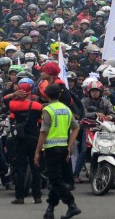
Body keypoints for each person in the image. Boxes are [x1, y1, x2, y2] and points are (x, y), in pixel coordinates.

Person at [34, 84, 81, 219]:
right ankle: (50, 209)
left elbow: (43, 132)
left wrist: (37, 152)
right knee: (57, 179)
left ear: (46, 96)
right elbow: (76, 128)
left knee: (55, 179)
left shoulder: (48, 110)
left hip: (51, 149)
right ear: (59, 95)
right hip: (64, 147)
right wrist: (69, 145)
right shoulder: (66, 109)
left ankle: (71, 204)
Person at [9, 79, 43, 204]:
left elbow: (4, 100)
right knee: (35, 168)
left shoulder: (13, 105)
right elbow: (40, 122)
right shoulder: (37, 106)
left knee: (20, 168)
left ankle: (20, 197)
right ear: (30, 92)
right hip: (34, 138)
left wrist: (14, 95)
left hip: (20, 140)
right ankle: (37, 196)